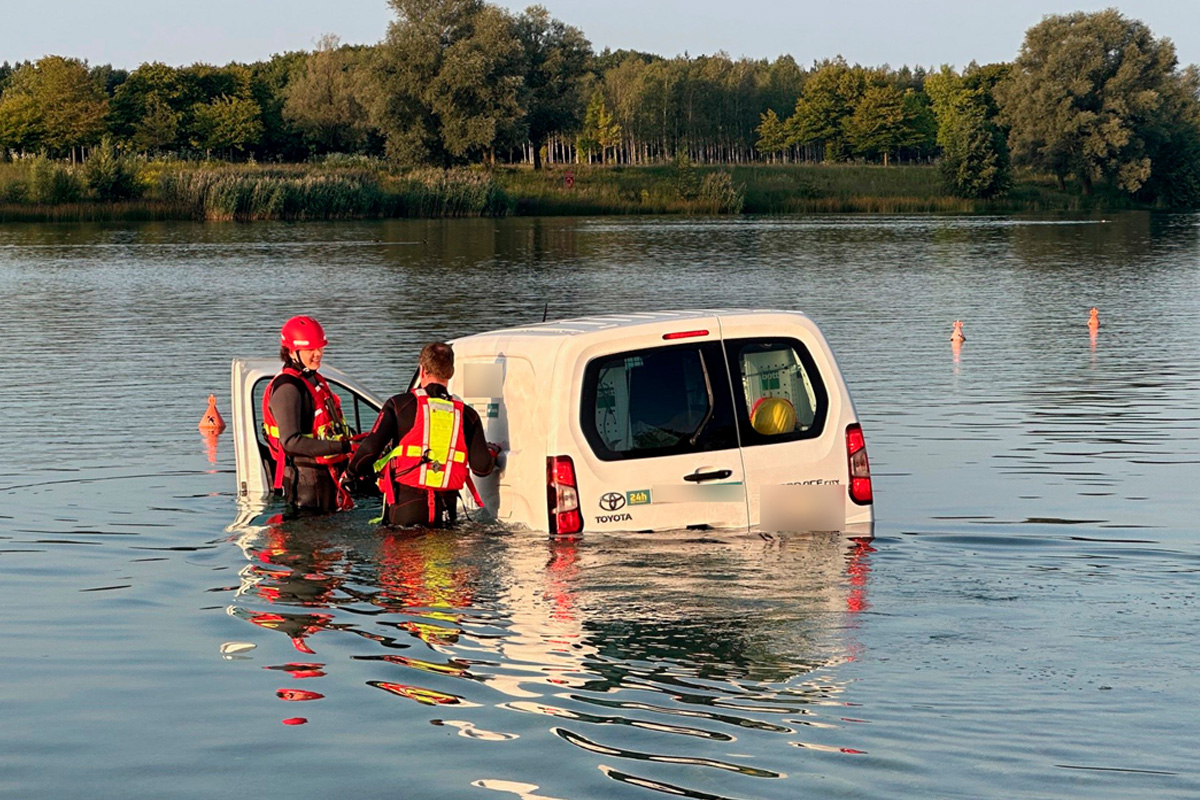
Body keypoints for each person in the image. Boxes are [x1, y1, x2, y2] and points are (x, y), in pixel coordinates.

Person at [349, 342, 497, 528]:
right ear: (450, 373)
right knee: (441, 555)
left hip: (406, 509)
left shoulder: (399, 405)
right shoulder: (467, 415)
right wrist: (491, 451)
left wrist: (350, 473)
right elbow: (482, 468)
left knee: (404, 554)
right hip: (446, 512)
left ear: (422, 370)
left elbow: (370, 450)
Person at [261, 315, 355, 515]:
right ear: (291, 352)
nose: (318, 354)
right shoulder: (288, 388)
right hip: (305, 485)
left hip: (324, 479)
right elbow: (291, 442)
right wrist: (345, 446)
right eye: (311, 349)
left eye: (320, 348)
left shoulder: (312, 379)